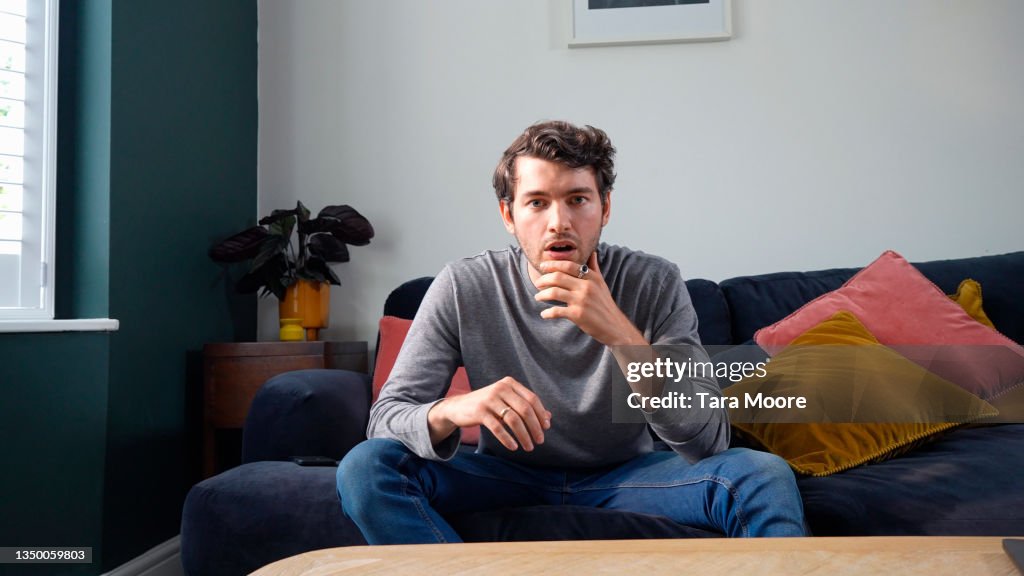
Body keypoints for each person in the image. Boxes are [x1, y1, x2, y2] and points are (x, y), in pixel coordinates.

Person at [337, 120, 805, 543]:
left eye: (577, 199)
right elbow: (385, 420)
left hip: (631, 476)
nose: (558, 221)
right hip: (502, 474)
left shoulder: (654, 281)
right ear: (508, 215)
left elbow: (709, 441)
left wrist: (622, 336)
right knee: (365, 468)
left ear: (604, 207)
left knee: (761, 474)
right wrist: (459, 408)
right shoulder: (465, 285)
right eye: (537, 203)